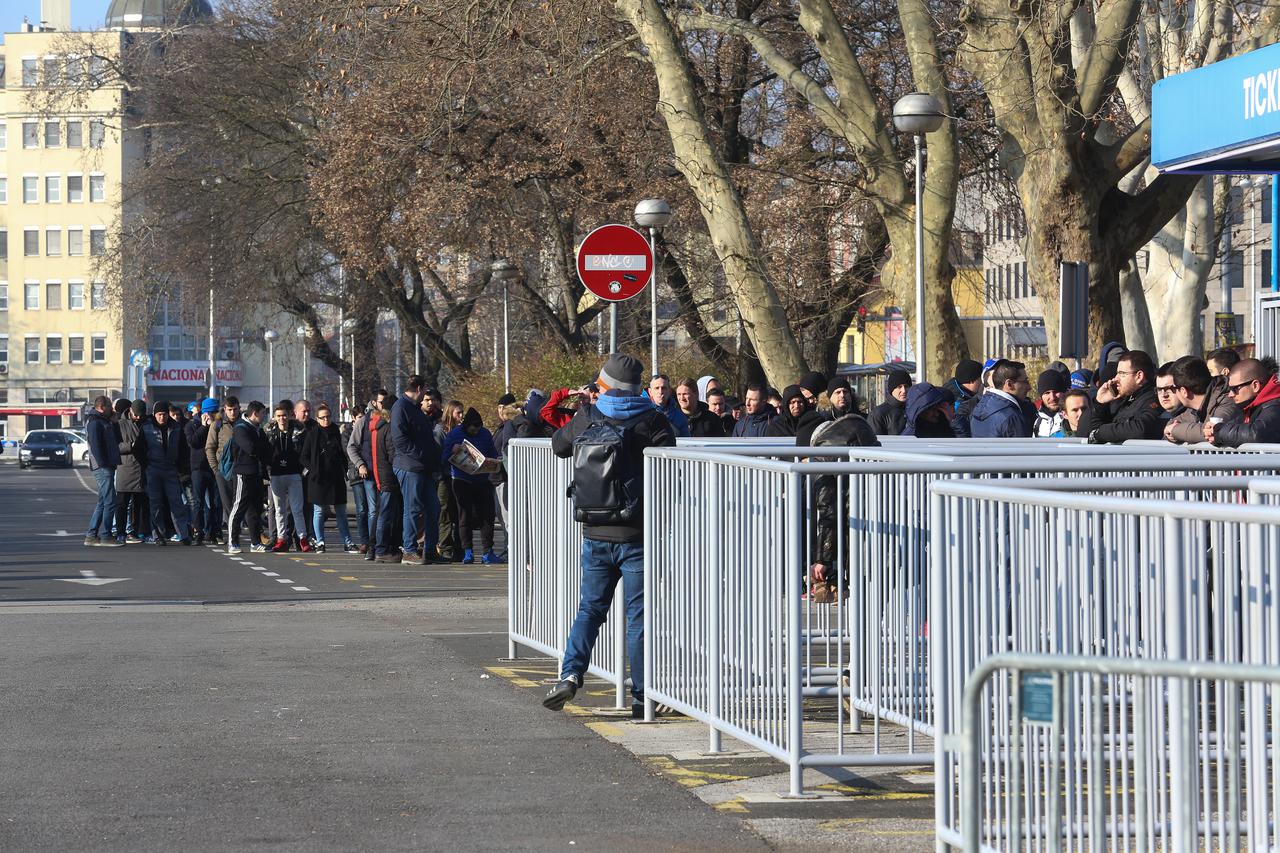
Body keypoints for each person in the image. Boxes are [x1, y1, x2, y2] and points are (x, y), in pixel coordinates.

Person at [543, 353, 676, 717]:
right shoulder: (653, 420)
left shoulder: (590, 415)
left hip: (595, 530)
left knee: (590, 608)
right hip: (637, 534)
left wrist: (585, 408)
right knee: (638, 619)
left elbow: (558, 446)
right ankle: (641, 698)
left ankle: (570, 673)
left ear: (606, 385)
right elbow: (672, 472)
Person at [391, 375, 443, 563]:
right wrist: (420, 454)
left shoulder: (413, 409)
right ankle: (409, 550)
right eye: (424, 393)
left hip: (424, 467)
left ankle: (430, 550)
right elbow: (399, 440)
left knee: (433, 507)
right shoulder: (401, 407)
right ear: (419, 389)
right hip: (410, 466)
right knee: (412, 509)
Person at [441, 407, 501, 564]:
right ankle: (467, 551)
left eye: (478, 428)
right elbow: (444, 457)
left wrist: (493, 462)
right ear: (466, 426)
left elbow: (493, 453)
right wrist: (453, 451)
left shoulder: (485, 434)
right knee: (464, 515)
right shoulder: (454, 434)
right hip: (462, 479)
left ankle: (488, 552)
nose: (475, 431)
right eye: (472, 429)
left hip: (482, 480)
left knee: (487, 516)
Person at [1077, 350, 1165, 444]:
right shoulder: (1127, 400)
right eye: (1117, 373)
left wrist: (1102, 432)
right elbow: (1089, 430)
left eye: (1122, 374)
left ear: (1139, 376)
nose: (1116, 379)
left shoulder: (1154, 399)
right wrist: (1100, 403)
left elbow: (1140, 428)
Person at [303, 403, 356, 553]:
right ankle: (320, 542)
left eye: (328, 416)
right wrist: (313, 470)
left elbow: (342, 453)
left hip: (336, 478)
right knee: (319, 511)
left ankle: (348, 542)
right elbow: (304, 456)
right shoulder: (312, 434)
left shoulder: (336, 432)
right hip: (319, 479)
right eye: (323, 417)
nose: (326, 420)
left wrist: (344, 469)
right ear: (317, 419)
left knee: (341, 511)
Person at [140, 400, 193, 545]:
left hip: (171, 469)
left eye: (164, 414)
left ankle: (183, 535)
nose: (162, 418)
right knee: (155, 504)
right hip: (153, 470)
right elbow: (139, 449)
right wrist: (146, 465)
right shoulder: (146, 428)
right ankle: (157, 535)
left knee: (177, 503)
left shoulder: (176, 428)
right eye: (159, 415)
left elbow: (183, 450)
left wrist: (183, 470)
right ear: (154, 415)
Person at [346, 390, 388, 557]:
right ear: (374, 403)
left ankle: (382, 543)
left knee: (383, 509)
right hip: (370, 472)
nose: (383, 405)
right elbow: (351, 447)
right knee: (371, 510)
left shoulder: (388, 419)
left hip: (385, 472)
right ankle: (372, 545)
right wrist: (360, 465)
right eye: (381, 402)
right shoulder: (364, 421)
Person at [226, 401, 271, 555]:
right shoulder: (241, 428)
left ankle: (255, 542)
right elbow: (250, 448)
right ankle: (233, 542)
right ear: (255, 413)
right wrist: (262, 448)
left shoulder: (258, 429)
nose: (264, 416)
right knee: (238, 507)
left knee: (255, 509)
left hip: (256, 474)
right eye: (263, 413)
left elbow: (268, 449)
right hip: (243, 474)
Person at [266, 401, 311, 553]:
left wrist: (303, 471)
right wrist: (268, 471)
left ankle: (303, 538)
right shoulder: (270, 433)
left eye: (284, 415)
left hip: (294, 474)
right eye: (278, 416)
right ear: (274, 417)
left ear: (289, 416)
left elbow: (305, 454)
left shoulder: (299, 431)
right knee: (279, 509)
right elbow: (265, 453)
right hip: (277, 474)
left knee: (297, 509)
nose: (282, 419)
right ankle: (281, 539)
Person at [1165, 357, 1240, 444]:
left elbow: (1212, 430)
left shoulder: (1226, 400)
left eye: (1173, 388)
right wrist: (1172, 432)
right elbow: (1171, 425)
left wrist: (1175, 431)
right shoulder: (1193, 409)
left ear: (1183, 391)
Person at [1205, 358, 1280, 446]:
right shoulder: (1249, 407)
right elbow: (1241, 432)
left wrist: (1218, 431)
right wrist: (1216, 436)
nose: (1230, 394)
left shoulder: (1275, 406)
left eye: (1234, 389)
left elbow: (1256, 434)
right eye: (1229, 389)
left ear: (1255, 385)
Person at [84, 395, 123, 547]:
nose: (112, 410)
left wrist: (114, 424)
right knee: (110, 501)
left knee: (102, 501)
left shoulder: (105, 421)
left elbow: (118, 440)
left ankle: (92, 534)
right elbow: (96, 446)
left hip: (107, 465)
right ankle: (106, 535)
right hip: (103, 467)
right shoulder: (95, 422)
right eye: (109, 407)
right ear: (102, 406)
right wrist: (103, 464)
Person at [371, 394, 403, 563]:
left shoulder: (379, 427)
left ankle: (379, 547)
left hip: (383, 476)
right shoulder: (390, 429)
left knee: (384, 513)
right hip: (390, 477)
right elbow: (393, 455)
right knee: (386, 514)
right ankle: (382, 549)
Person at [185, 398, 222, 545]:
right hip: (198, 468)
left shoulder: (219, 425)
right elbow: (193, 442)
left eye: (215, 412)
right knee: (198, 502)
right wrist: (203, 427)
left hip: (214, 468)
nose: (213, 416)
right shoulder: (191, 425)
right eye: (210, 413)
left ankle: (212, 532)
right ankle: (198, 532)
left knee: (215, 502)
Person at [205, 396, 242, 540]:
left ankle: (235, 534)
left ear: (239, 409)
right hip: (223, 471)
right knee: (228, 505)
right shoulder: (217, 425)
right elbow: (209, 448)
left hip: (241, 470)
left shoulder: (244, 423)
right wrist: (216, 469)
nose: (233, 413)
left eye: (235, 409)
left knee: (240, 505)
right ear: (225, 409)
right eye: (230, 410)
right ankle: (233, 536)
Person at [116, 399, 150, 543]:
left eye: (140, 415)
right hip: (126, 468)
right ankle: (120, 532)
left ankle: (137, 532)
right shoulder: (119, 424)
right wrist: (131, 445)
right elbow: (115, 446)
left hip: (143, 468)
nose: (138, 417)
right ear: (130, 410)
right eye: (136, 414)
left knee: (140, 504)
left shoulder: (147, 423)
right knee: (122, 503)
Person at [970, 361, 1033, 438]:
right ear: (1009, 384)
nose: (1029, 387)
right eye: (1025, 381)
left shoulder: (979, 408)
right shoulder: (1011, 417)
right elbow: (1023, 449)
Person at [869, 370, 911, 435]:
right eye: (899, 387)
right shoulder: (878, 414)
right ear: (892, 389)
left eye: (906, 386)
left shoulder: (914, 409)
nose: (903, 390)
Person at [1033, 370, 1069, 437]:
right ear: (1041, 396)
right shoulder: (1038, 422)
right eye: (1047, 393)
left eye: (1056, 392)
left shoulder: (1072, 418)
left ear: (1064, 392)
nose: (1052, 397)